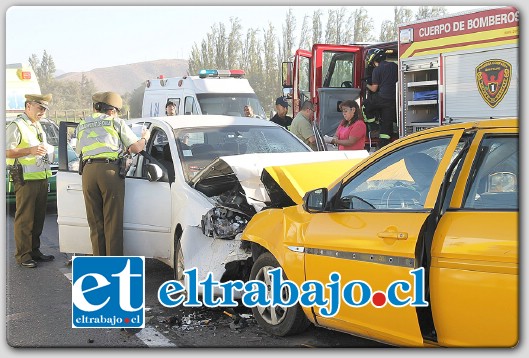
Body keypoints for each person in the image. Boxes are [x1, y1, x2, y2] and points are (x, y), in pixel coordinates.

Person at [75, 91, 150, 256]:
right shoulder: (115, 122)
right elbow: (136, 148)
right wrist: (144, 138)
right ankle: (114, 267)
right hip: (109, 172)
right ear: (111, 110)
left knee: (95, 223)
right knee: (112, 222)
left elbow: (79, 150)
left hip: (88, 172)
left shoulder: (82, 124)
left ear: (96, 108)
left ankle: (100, 264)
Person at [5, 94, 56, 268]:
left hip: (41, 177)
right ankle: (23, 255)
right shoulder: (17, 125)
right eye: (39, 108)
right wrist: (30, 150)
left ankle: (34, 251)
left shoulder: (37, 125)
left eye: (44, 109)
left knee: (38, 217)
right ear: (28, 106)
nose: (42, 112)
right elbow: (7, 151)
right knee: (25, 218)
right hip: (25, 178)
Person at [362, 48, 398, 150]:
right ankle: (383, 144)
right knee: (387, 122)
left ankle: (374, 126)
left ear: (373, 60)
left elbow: (374, 89)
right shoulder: (394, 66)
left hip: (382, 97)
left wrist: (366, 84)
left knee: (365, 105)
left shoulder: (377, 70)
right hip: (393, 100)